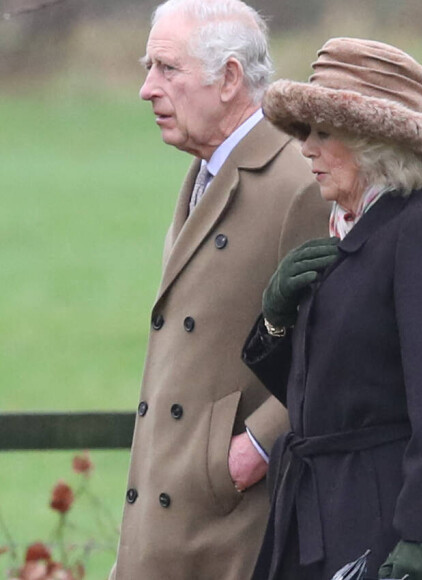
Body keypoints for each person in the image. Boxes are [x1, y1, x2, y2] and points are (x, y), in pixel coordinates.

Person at [242, 38, 422, 580]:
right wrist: (277, 320)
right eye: (306, 132)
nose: (306, 149)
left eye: (323, 133)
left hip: (389, 518)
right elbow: (327, 400)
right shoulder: (350, 234)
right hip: (327, 514)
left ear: (373, 141)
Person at [109, 1, 330, 579]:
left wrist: (253, 448)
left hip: (234, 528)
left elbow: (342, 343)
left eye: (167, 69)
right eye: (147, 66)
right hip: (165, 519)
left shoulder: (300, 181)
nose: (146, 88)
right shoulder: (203, 170)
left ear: (230, 78)